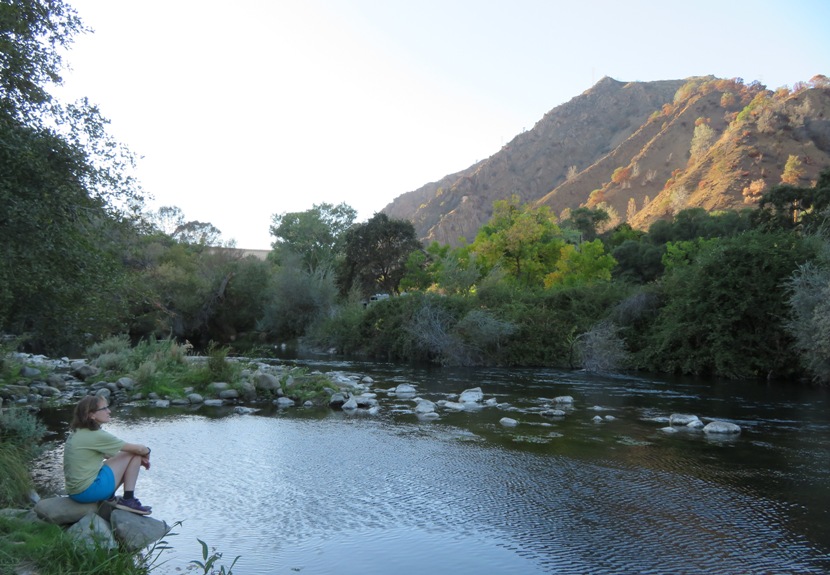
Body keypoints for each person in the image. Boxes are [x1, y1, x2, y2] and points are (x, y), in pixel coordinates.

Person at [63, 395, 153, 515]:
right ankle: (128, 499)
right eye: (104, 409)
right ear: (91, 415)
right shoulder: (95, 435)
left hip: (75, 492)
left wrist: (133, 460)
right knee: (134, 454)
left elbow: (109, 456)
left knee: (132, 456)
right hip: (88, 492)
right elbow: (139, 449)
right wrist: (147, 452)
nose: (109, 411)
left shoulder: (78, 432)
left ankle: (118, 499)